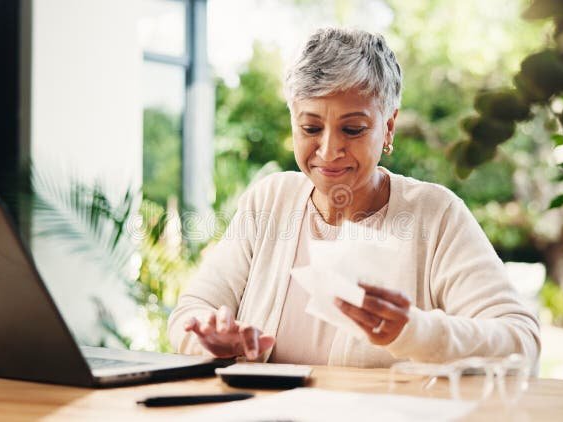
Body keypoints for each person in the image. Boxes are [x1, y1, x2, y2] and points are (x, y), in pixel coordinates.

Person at [167, 27, 540, 368]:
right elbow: (191, 311)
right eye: (311, 127)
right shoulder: (269, 200)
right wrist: (210, 340)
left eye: (353, 129)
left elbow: (520, 340)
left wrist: (417, 331)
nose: (329, 151)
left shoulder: (435, 216)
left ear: (388, 127)